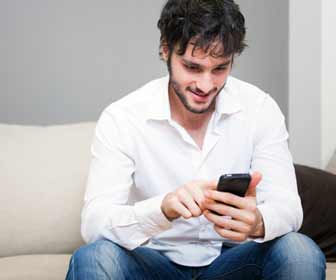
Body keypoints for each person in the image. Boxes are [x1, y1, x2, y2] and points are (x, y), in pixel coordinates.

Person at [66, 0, 326, 279]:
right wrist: (162, 208)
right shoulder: (122, 118)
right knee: (95, 257)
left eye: (219, 69)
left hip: (233, 262)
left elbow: (288, 207)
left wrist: (258, 222)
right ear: (165, 49)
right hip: (152, 261)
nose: (205, 85)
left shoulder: (260, 109)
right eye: (192, 67)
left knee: (299, 251)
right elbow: (94, 223)